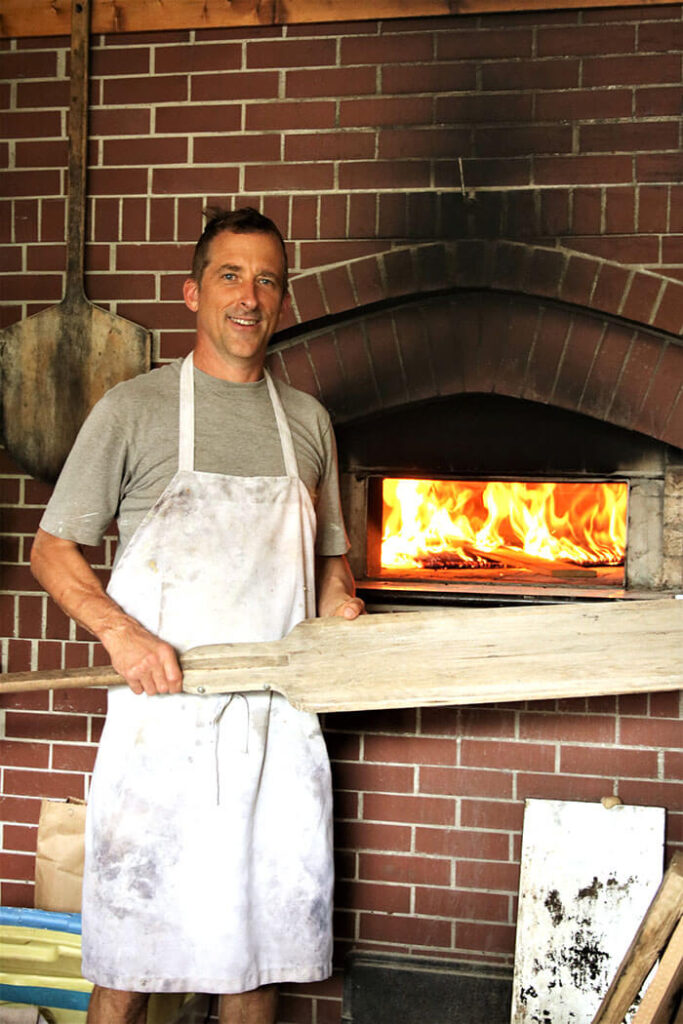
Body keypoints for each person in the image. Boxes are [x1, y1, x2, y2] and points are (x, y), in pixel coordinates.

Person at [30, 206, 365, 1024]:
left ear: (282, 301)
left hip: (276, 728)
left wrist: (341, 606)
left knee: (254, 959)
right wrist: (123, 633)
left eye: (267, 281)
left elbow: (325, 565)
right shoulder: (133, 409)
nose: (249, 296)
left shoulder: (308, 425)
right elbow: (51, 550)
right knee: (134, 957)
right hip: (164, 726)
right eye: (230, 275)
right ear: (191, 292)